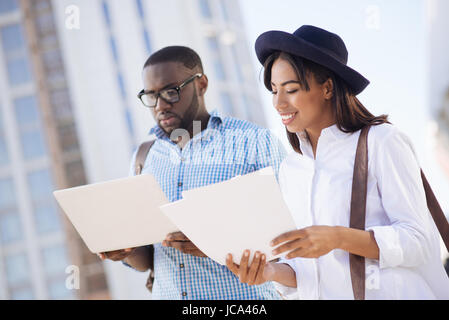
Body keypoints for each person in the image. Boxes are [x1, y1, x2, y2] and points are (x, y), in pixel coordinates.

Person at [226, 25, 449, 299]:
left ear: (328, 88)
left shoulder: (381, 141)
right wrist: (271, 273)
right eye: (274, 90)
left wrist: (339, 238)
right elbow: (309, 271)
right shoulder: (291, 169)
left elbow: (419, 241)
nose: (278, 103)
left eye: (291, 89)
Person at [97, 46, 286, 299]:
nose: (160, 106)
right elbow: (150, 261)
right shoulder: (143, 158)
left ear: (202, 84)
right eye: (151, 96)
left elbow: (288, 243)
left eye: (171, 92)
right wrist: (126, 251)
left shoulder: (254, 142)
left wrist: (216, 244)